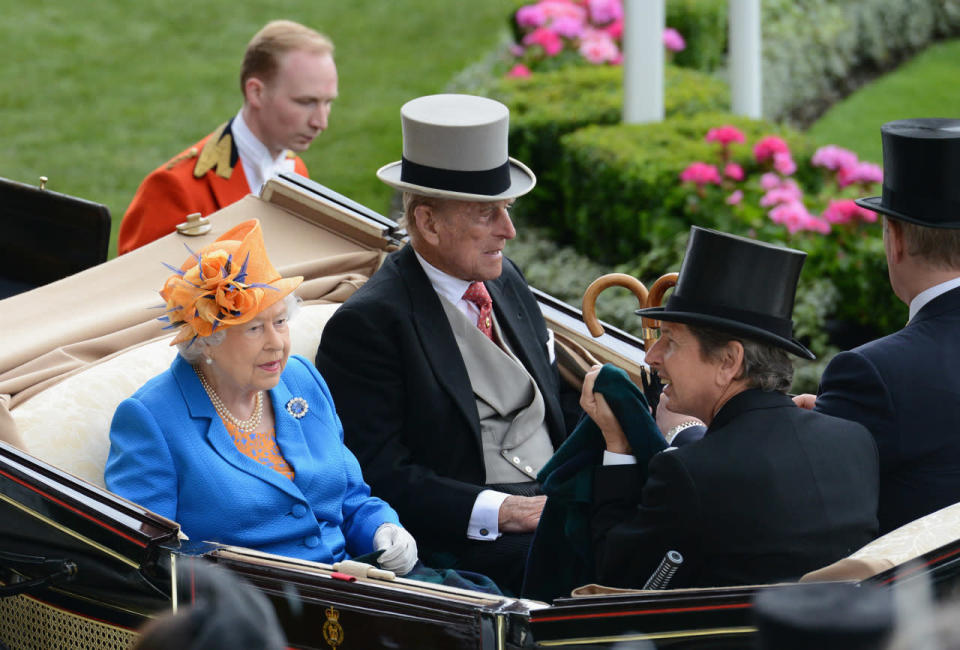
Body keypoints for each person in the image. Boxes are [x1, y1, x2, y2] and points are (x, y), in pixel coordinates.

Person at [315, 94, 574, 595]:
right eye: (486, 214)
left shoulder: (503, 278)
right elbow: (380, 474)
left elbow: (553, 400)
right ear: (428, 222)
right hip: (472, 540)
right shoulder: (369, 324)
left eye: (508, 208)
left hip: (557, 501)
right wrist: (506, 511)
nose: (509, 230)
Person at [105, 219, 418, 576]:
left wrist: (383, 528)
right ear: (207, 339)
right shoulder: (151, 419)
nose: (277, 343)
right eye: (255, 328)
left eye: (281, 322)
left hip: (351, 589)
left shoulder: (300, 378)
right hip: (249, 616)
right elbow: (148, 563)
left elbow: (350, 499)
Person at [581, 226, 879, 589]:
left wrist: (619, 448)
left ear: (728, 361)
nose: (651, 355)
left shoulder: (689, 473)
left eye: (671, 341)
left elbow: (616, 577)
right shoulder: (853, 440)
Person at [794, 118, 960, 535]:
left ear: (896, 239)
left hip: (920, 597)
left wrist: (686, 432)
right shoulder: (879, 379)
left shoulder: (873, 374)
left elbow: (796, 494)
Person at [118, 20, 338, 254]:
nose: (321, 122)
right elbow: (134, 287)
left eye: (328, 103)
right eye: (305, 102)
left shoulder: (296, 171)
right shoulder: (175, 188)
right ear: (256, 92)